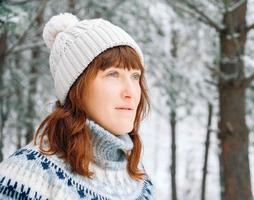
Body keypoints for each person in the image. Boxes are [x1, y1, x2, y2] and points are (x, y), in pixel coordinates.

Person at [0, 13, 154, 200]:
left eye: (135, 76)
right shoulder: (23, 180)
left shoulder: (138, 178)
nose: (131, 92)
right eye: (113, 74)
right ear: (76, 88)